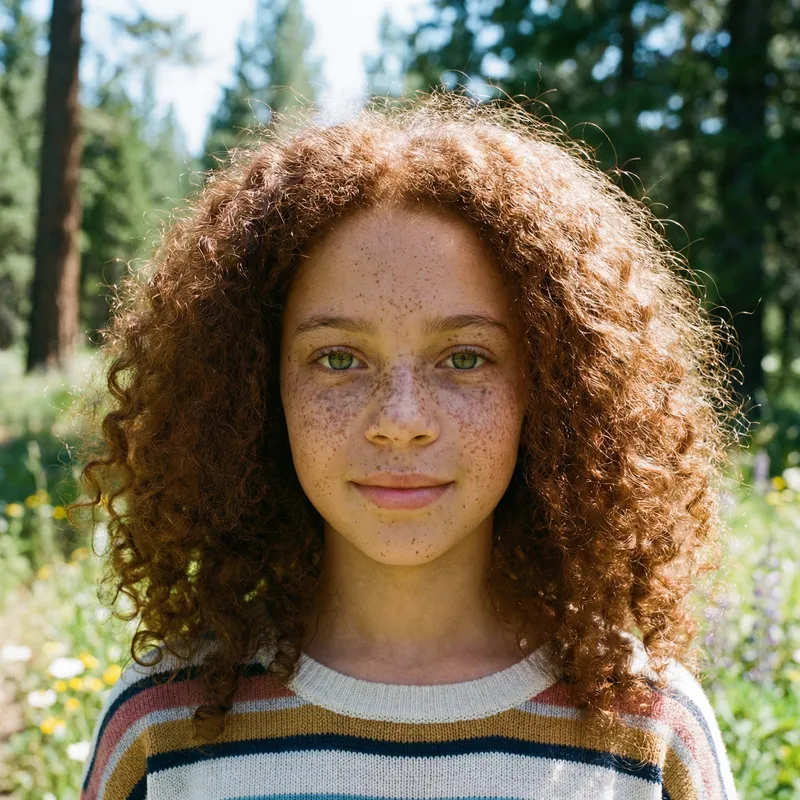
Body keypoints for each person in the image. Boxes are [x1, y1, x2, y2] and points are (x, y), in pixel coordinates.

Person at [73, 89, 745, 799]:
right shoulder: (162, 728)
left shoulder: (647, 732)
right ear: (253, 392)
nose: (400, 418)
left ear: (553, 391)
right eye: (337, 359)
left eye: (464, 358)